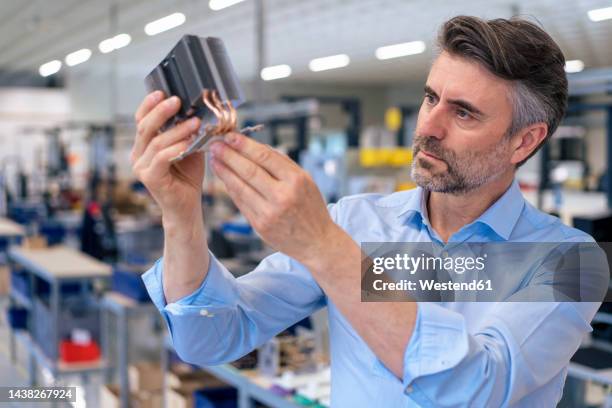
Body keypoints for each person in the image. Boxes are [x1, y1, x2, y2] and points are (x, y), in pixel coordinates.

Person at [131, 15, 604, 407]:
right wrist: (181, 214)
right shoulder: (356, 221)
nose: (429, 127)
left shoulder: (568, 262)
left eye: (464, 113)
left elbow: (473, 386)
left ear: (525, 140)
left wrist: (323, 245)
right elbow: (210, 337)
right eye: (430, 97)